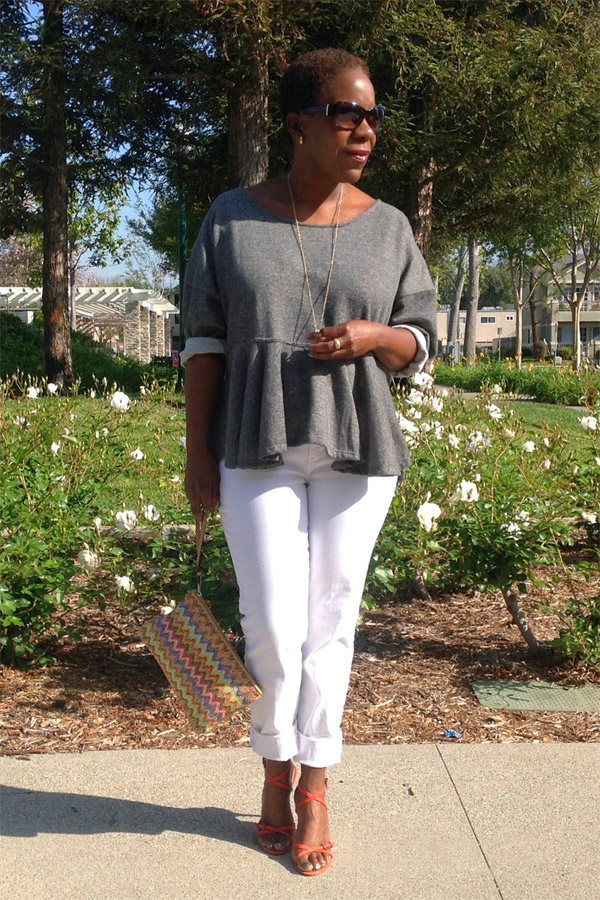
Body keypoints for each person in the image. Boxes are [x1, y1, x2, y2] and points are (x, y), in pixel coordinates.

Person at [181, 48, 437, 876]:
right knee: (271, 624)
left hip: (359, 447)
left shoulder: (389, 226)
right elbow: (203, 343)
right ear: (299, 122)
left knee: (332, 617)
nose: (365, 130)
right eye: (346, 113)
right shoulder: (231, 218)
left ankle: (315, 783)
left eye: (372, 116)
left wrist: (376, 336)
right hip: (253, 443)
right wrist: (195, 456)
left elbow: (420, 338)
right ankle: (273, 764)